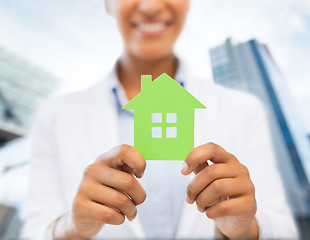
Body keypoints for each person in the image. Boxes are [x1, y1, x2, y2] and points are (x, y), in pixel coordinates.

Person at [21, 0, 298, 239]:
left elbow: (284, 229)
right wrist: (72, 227)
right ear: (107, 2)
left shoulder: (244, 110)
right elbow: (34, 231)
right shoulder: (56, 115)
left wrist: (245, 230)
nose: (151, 6)